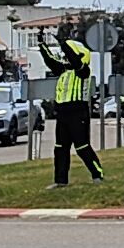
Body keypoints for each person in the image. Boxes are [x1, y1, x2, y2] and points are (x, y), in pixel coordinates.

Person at [39, 35, 104, 186]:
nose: (65, 58)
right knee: (60, 148)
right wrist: (42, 44)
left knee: (82, 146)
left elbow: (74, 59)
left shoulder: (83, 71)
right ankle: (60, 181)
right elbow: (50, 60)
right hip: (62, 114)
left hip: (77, 113)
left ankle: (97, 174)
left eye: (68, 55)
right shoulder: (63, 70)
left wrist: (64, 43)